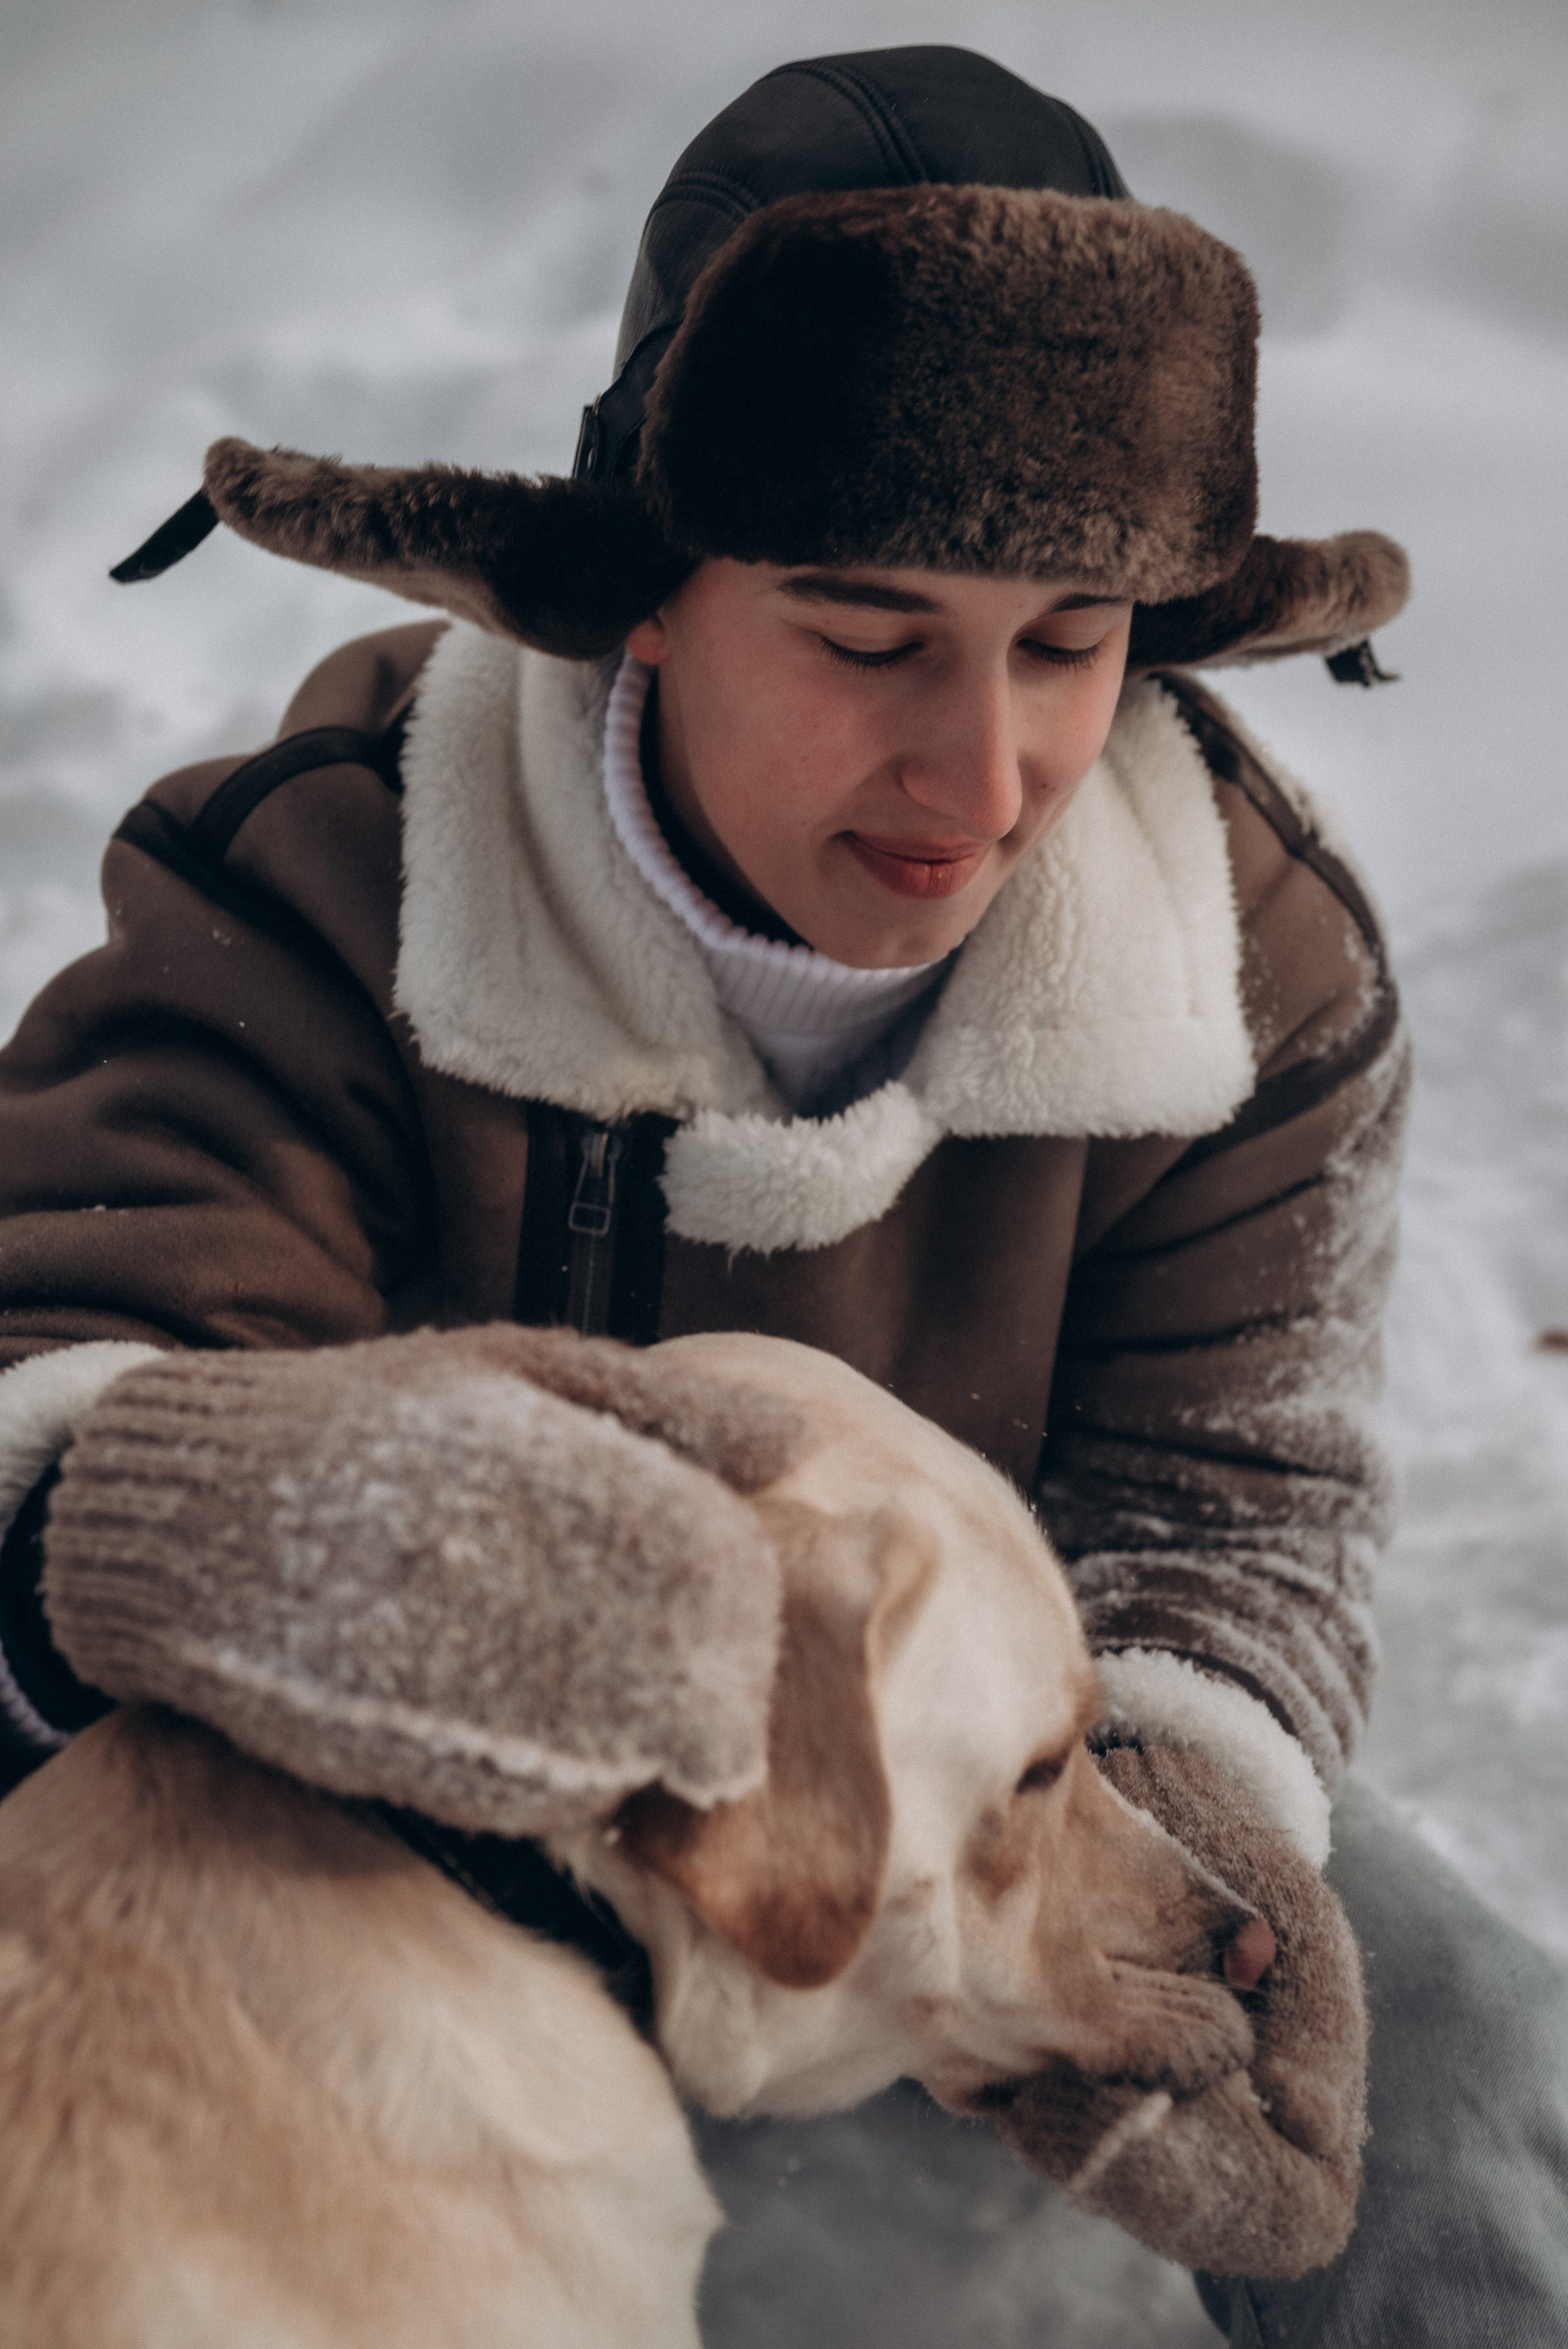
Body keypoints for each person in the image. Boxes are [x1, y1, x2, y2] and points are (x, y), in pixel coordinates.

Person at [0, 42, 1562, 2346]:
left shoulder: (1256, 959)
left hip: (991, 1810)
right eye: (866, 635)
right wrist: (224, 1509)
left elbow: (1231, 1501)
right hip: (388, 1859)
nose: (986, 767)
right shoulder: (337, 860)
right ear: (642, 592)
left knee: (1458, 2054)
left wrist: (1150, 1832)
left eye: (1068, 643)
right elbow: (53, 1371)